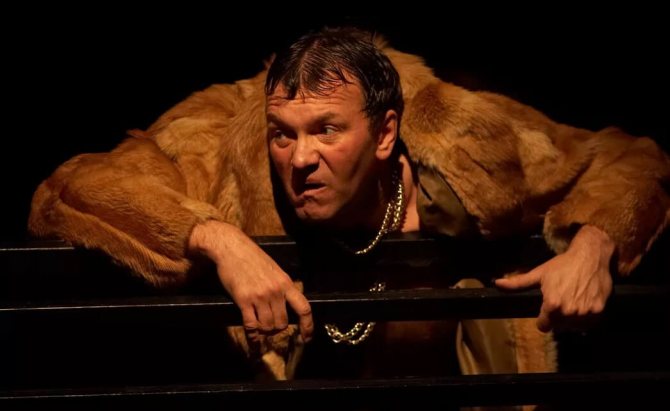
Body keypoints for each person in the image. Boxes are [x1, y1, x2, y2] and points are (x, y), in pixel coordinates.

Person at [29, 27, 669, 380]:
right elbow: (71, 189)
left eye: (327, 131)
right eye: (284, 134)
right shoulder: (226, 138)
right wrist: (219, 240)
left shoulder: (466, 146)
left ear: (386, 134)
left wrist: (594, 244)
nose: (300, 158)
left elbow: (630, 159)